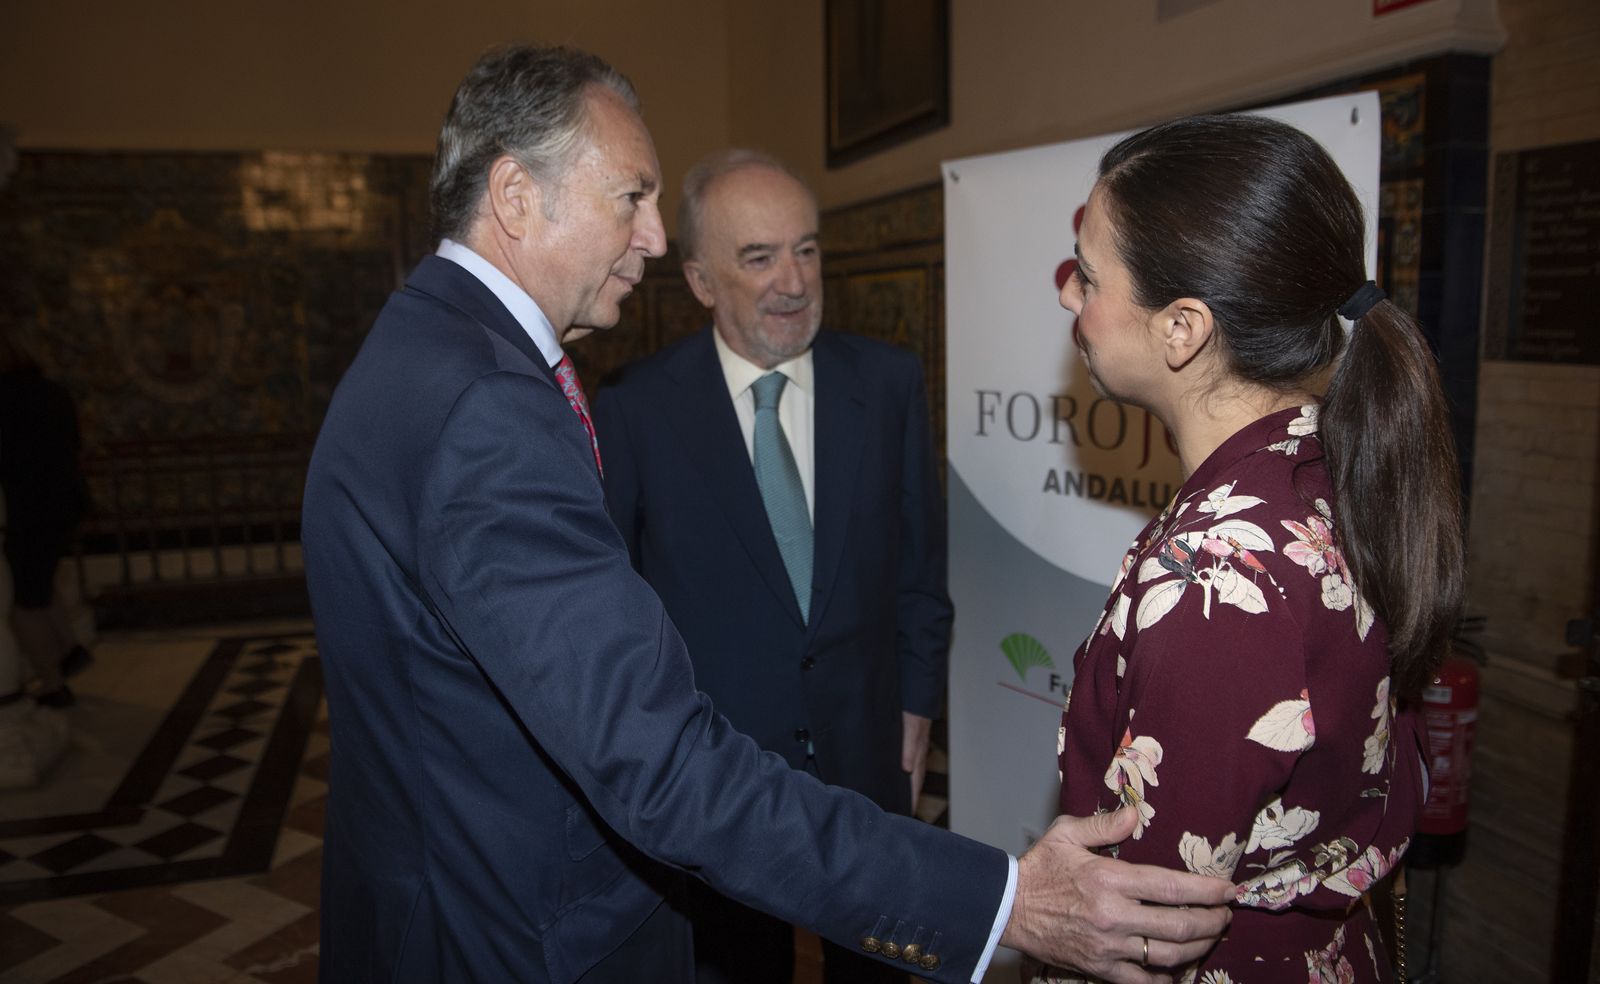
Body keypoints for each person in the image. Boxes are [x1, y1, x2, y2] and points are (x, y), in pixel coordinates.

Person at [302, 43, 1235, 984]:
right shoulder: (487, 409)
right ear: (515, 196)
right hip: (510, 937)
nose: (653, 239)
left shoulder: (427, 351)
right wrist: (1003, 902)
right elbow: (657, 762)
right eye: (630, 197)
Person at [1036, 114, 1464, 983]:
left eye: (1091, 276)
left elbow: (1140, 925)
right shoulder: (1328, 464)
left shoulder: (1217, 580)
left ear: (1182, 329)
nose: (1070, 298)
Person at [592, 149, 946, 984]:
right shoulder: (636, 407)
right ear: (701, 280)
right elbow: (616, 604)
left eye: (807, 250)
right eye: (759, 258)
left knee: (876, 965)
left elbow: (920, 566)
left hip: (866, 750)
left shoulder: (887, 383)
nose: (794, 282)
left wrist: (917, 702)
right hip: (717, 770)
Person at [0, 330, 93, 708]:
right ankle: (68, 649)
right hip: (65, 501)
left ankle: (52, 683)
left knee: (21, 601)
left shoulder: (5, 398)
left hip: (28, 507)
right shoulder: (51, 391)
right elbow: (75, 443)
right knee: (41, 579)